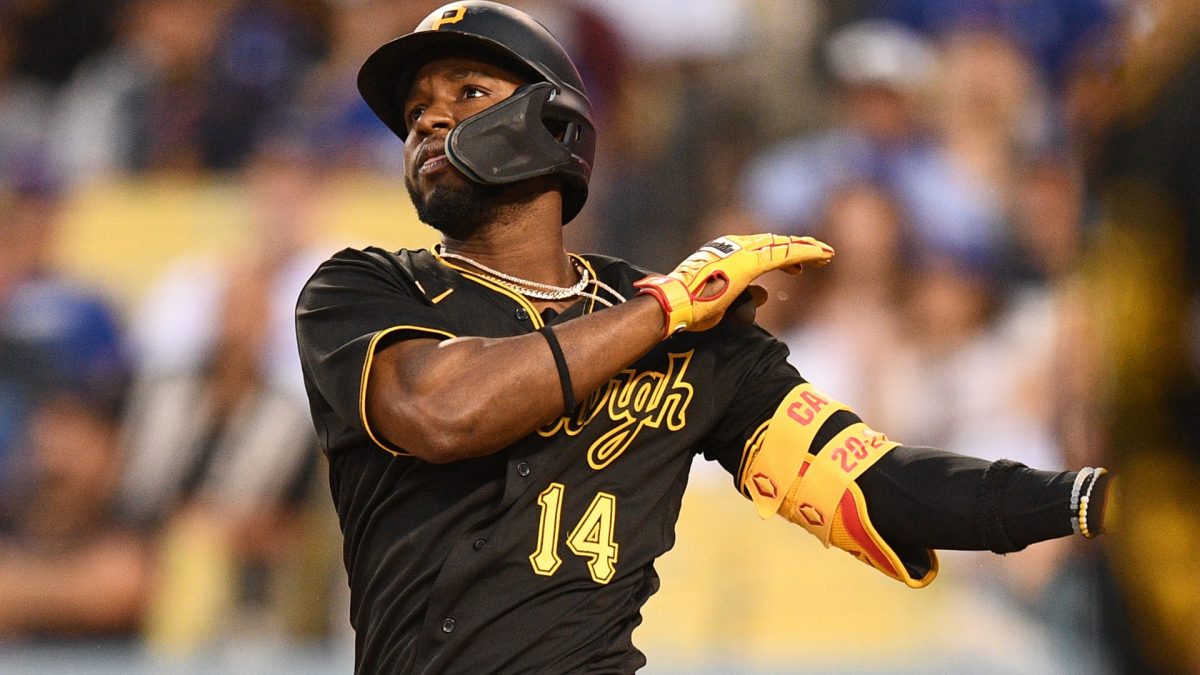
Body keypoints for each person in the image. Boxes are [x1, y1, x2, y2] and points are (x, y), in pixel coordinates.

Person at [294, 3, 1115, 672]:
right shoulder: (367, 287)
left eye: (465, 93)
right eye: (414, 113)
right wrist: (661, 308)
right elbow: (440, 410)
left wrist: (1089, 497)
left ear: (552, 123)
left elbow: (875, 484)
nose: (428, 122)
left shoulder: (692, 331)